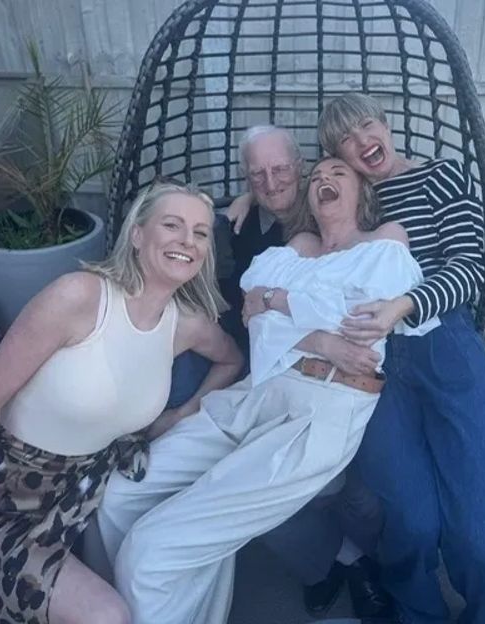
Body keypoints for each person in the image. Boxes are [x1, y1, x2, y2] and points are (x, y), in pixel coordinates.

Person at [97, 156, 440, 624]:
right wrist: (316, 336)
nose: (324, 179)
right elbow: (253, 317)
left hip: (325, 407)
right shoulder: (299, 243)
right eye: (317, 176)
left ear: (362, 191)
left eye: (338, 174)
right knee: (120, 495)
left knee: (151, 550)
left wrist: (278, 303)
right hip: (259, 388)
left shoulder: (385, 240)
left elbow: (359, 320)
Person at [316, 93, 485, 624]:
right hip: (376, 362)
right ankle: (417, 611)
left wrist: (404, 305)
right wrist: (248, 204)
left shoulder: (443, 176)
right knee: (410, 520)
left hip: (446, 348)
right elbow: (298, 215)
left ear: (385, 125)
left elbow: (468, 269)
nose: (363, 140)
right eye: (346, 137)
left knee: (476, 532)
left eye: (367, 124)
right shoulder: (356, 197)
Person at [0, 179, 242, 624]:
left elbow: (231, 360)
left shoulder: (186, 325)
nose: (187, 240)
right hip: (10, 493)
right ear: (137, 234)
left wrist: (181, 414)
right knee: (106, 615)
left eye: (200, 232)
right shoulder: (80, 296)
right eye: (173, 224)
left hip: (85, 491)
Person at [173, 124, 393, 619]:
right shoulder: (250, 222)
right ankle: (337, 562)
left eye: (281, 171)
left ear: (302, 166)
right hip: (263, 365)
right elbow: (249, 305)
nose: (271, 182)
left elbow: (339, 314)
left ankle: (371, 564)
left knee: (350, 491)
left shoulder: (328, 224)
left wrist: (281, 312)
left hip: (329, 376)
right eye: (257, 175)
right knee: (260, 484)